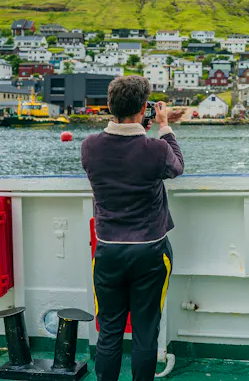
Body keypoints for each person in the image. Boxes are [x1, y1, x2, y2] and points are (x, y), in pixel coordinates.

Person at [81, 75, 184, 381]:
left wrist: (139, 127)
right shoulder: (155, 149)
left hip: (108, 251)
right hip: (150, 252)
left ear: (110, 107)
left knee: (110, 331)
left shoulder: (90, 147)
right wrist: (164, 127)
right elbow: (176, 165)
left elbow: (122, 149)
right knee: (145, 331)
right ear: (144, 108)